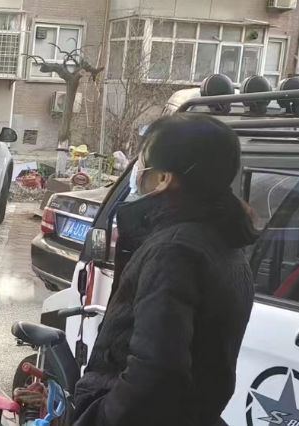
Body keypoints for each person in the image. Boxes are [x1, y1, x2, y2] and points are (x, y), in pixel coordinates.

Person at [73, 115, 258, 426]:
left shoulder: (174, 251)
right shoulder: (224, 241)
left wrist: (99, 416)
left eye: (142, 163)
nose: (136, 171)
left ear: (163, 178)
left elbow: (154, 374)